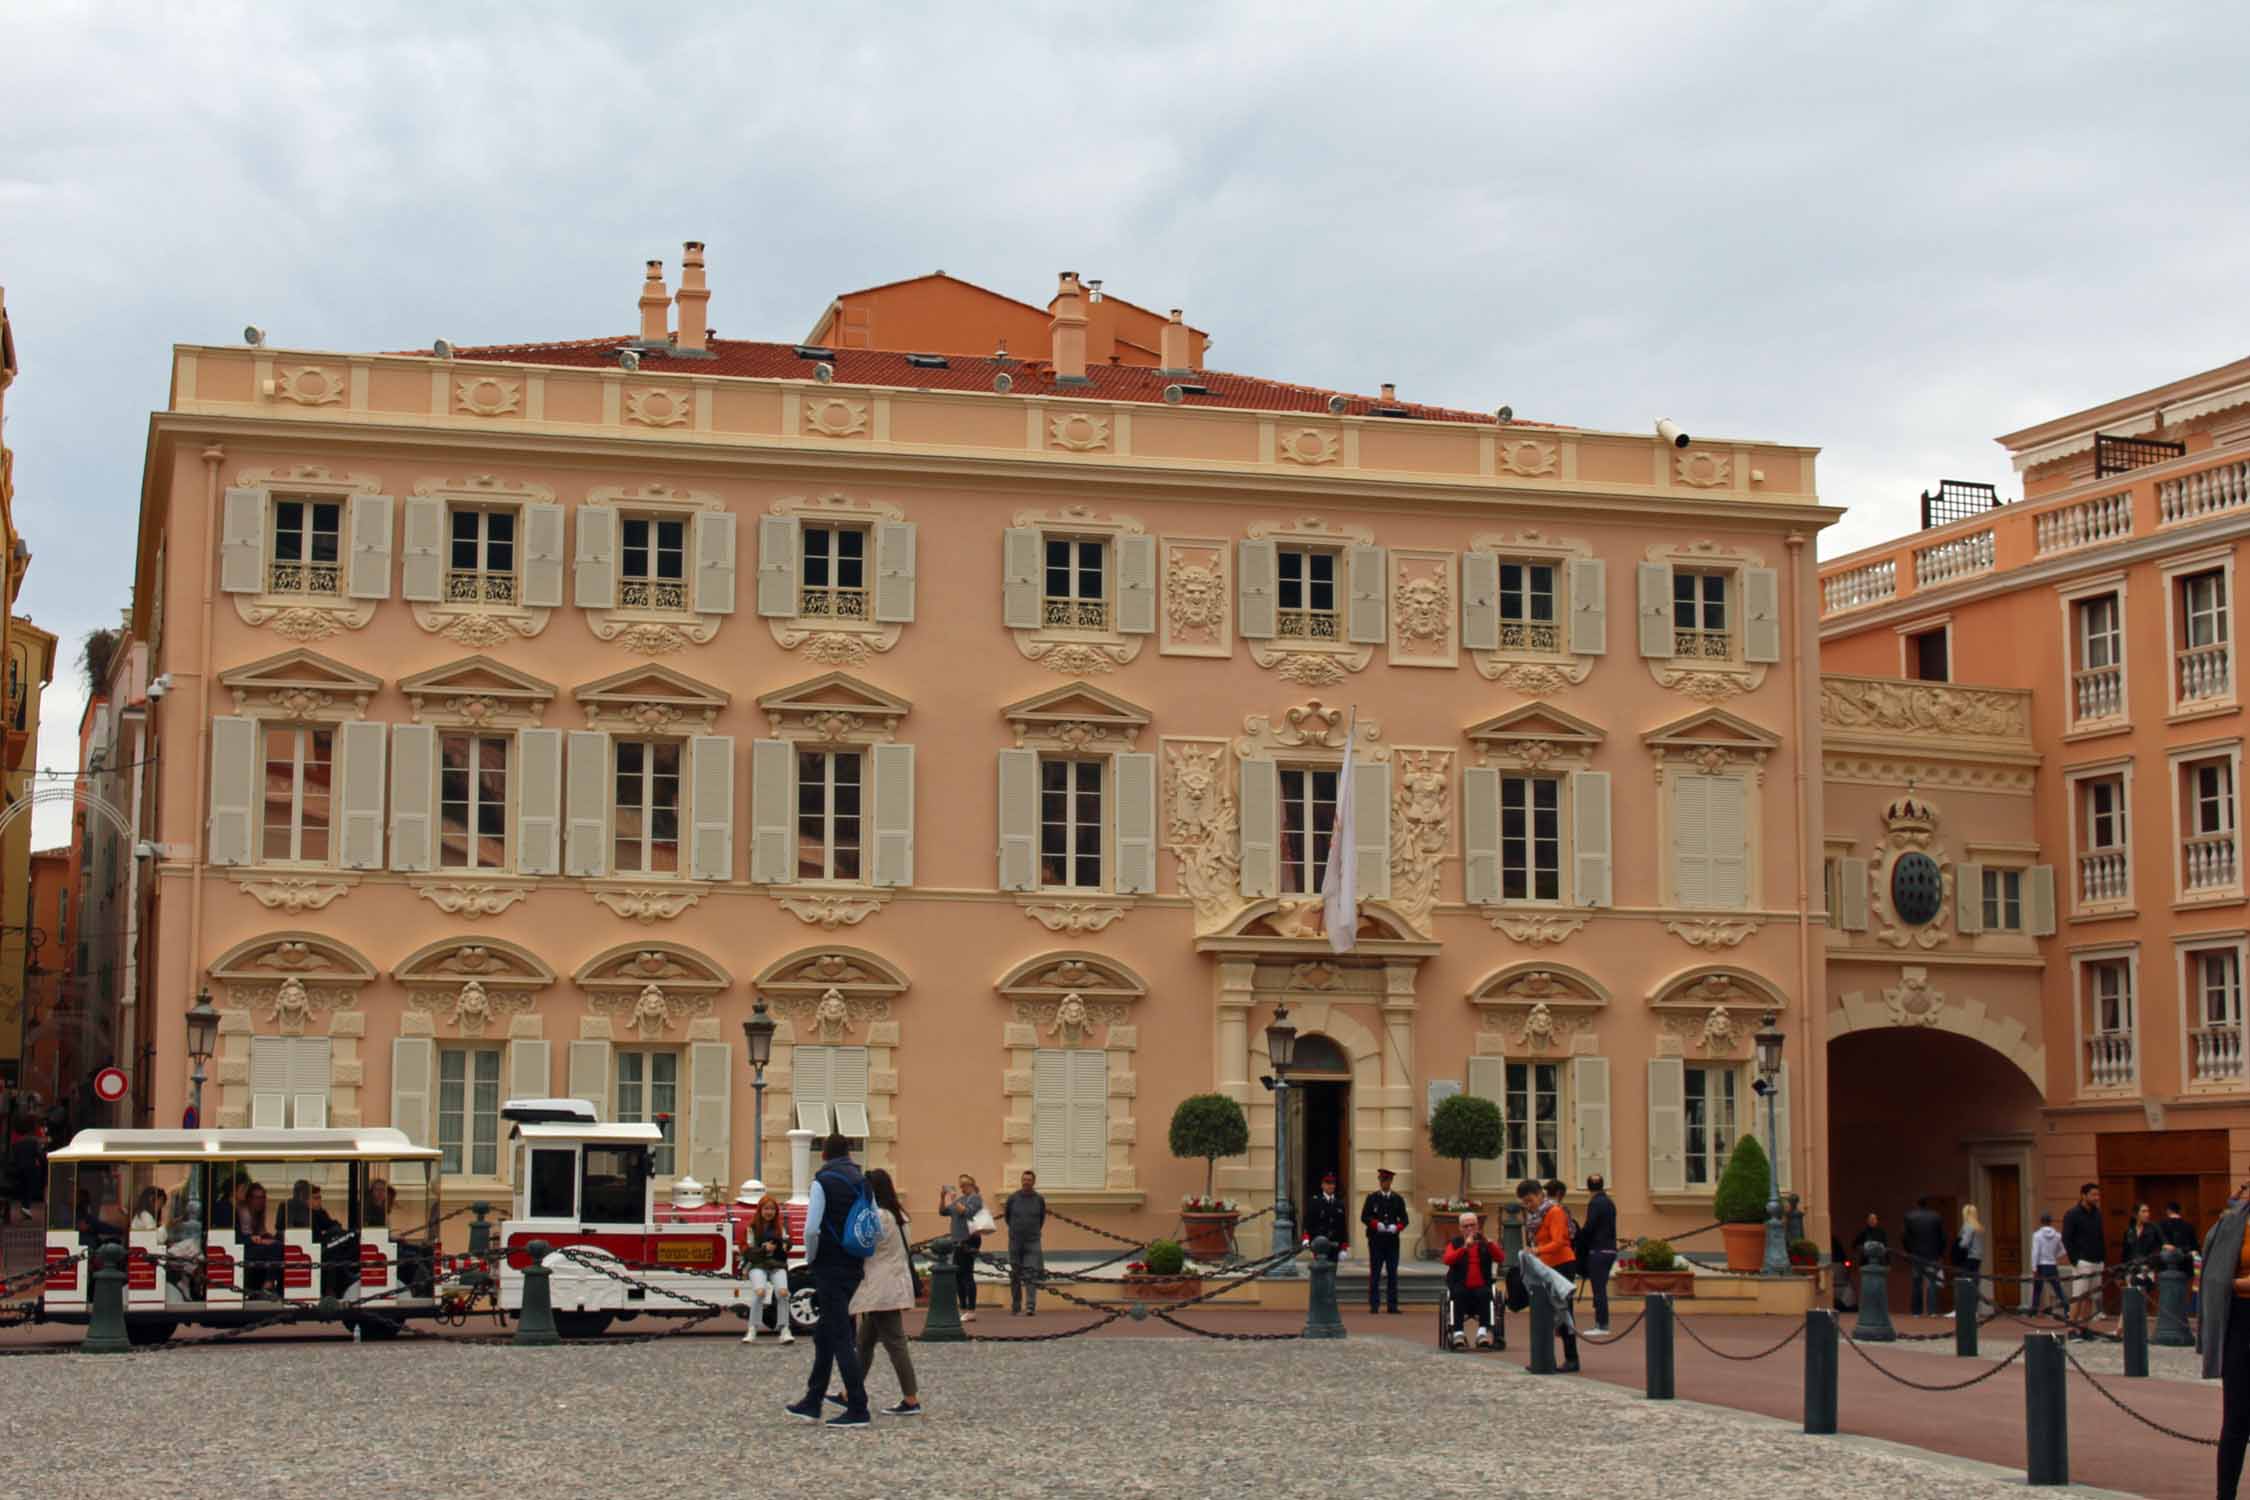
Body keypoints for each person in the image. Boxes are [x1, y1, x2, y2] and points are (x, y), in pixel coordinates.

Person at [785, 1133, 870, 1429]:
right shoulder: (862, 1180)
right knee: (825, 1333)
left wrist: (811, 1259)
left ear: (823, 1154)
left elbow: (811, 1229)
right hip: (854, 1262)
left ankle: (858, 1405)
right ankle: (813, 1399)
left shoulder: (822, 1181)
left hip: (830, 1264)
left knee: (840, 1337)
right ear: (848, 1152)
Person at [838, 1168, 922, 1418]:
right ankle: (849, 1392)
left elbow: (862, 1246)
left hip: (880, 1285)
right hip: (893, 1282)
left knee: (895, 1343)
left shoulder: (879, 1216)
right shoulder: (900, 1216)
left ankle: (911, 1398)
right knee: (864, 1342)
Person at [2202, 1180, 2249, 1500]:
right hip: (2241, 1323)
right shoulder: (2231, 1224)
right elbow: (2214, 1276)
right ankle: (2225, 1495)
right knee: (2236, 1418)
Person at [1516, 1178, 1580, 1373]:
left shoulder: (1555, 1212)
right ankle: (1545, 1357)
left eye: (1530, 1200)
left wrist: (1537, 1251)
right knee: (1545, 1312)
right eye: (1524, 1202)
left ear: (1540, 1195)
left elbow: (1560, 1241)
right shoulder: (1535, 1216)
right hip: (1546, 1266)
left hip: (1562, 1264)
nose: (1528, 1205)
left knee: (1563, 1312)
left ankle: (1572, 1358)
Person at [1441, 1211, 1500, 1350]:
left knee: (1485, 1293)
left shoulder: (1485, 1242)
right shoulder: (1455, 1243)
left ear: (1478, 1226)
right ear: (1460, 1228)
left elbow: (1500, 1258)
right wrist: (1464, 1248)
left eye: (1472, 1225)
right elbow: (1447, 1260)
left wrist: (1491, 1245)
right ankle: (1458, 1333)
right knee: (1459, 1294)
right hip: (1460, 1284)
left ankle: (1482, 1334)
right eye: (1465, 1226)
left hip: (1482, 1285)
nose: (1469, 1229)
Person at [740, 1194, 794, 1345]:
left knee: (783, 1293)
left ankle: (784, 1328)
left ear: (776, 1211)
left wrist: (786, 1244)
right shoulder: (751, 1228)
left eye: (772, 1209)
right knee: (760, 1292)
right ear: (760, 1210)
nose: (769, 1212)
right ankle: (752, 1328)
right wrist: (763, 1250)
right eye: (766, 1208)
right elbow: (746, 1250)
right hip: (757, 1264)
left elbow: (788, 1241)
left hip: (777, 1264)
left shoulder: (780, 1227)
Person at [1359, 1167, 1408, 1314]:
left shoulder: (1397, 1199)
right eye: (1382, 1180)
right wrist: (1376, 1224)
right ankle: (1374, 1305)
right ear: (1379, 1181)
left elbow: (1405, 1219)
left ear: (1391, 1181)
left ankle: (1392, 1305)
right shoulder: (1372, 1198)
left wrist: (1396, 1227)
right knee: (1375, 1273)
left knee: (1392, 1273)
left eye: (1387, 1180)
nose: (1384, 1183)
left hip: (1392, 1241)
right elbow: (1365, 1216)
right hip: (1376, 1240)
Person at [2061, 1182, 2107, 1338]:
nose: (2096, 1198)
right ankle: (2071, 1329)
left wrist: (2102, 1258)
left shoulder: (2097, 1214)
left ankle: (2084, 1328)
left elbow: (2100, 1237)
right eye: (2093, 1195)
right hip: (2082, 1261)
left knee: (2090, 1297)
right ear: (2083, 1195)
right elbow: (2066, 1239)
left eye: (2097, 1195)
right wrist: (2075, 1260)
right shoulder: (2072, 1214)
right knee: (2079, 1296)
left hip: (2097, 1260)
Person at [939, 1173, 985, 1322]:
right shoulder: (959, 1200)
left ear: (972, 1185)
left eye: (965, 1184)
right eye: (960, 1185)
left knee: (967, 1275)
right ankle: (963, 1308)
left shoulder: (976, 1198)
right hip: (957, 1242)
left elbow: (968, 1213)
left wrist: (953, 1200)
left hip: (969, 1240)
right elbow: (943, 1212)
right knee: (958, 1277)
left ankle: (971, 1310)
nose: (962, 1187)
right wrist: (942, 1197)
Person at [1001, 1169, 1047, 1316]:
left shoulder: (1039, 1199)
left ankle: (1030, 1306)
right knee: (1015, 1274)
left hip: (1032, 1241)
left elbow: (1041, 1219)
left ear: (1033, 1182)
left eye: (1029, 1180)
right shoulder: (1013, 1198)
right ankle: (1016, 1304)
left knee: (1031, 1273)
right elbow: (1007, 1218)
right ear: (1021, 1181)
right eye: (1024, 1179)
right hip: (1015, 1241)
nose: (1026, 1182)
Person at [1579, 1174, 1618, 1334]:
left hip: (1598, 1250)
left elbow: (1590, 1227)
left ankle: (1601, 1324)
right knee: (1600, 1287)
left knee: (1598, 1289)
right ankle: (1601, 1323)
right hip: (1609, 1249)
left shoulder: (1594, 1203)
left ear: (1588, 1187)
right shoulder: (1609, 1202)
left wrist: (1579, 1238)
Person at [1902, 1197, 1946, 1316]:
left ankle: (1916, 1311)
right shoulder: (1936, 1216)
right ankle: (1932, 1311)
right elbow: (1942, 1237)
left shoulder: (1909, 1217)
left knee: (1917, 1282)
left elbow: (1905, 1237)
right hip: (1932, 1255)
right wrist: (1940, 1253)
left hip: (1916, 1254)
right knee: (1932, 1282)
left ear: (1917, 1204)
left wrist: (1909, 1251)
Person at [239, 1182, 282, 1298]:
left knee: (278, 1244)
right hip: (243, 1249)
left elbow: (262, 1232)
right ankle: (268, 1285)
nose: (260, 1201)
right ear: (249, 1199)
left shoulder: (258, 1214)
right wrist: (266, 1241)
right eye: (257, 1198)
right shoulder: (245, 1213)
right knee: (276, 1247)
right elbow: (250, 1238)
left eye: (263, 1198)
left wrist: (272, 1238)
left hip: (252, 1244)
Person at [1948, 1205, 1986, 1321]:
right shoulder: (1979, 1227)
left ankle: (1959, 1309)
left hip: (1968, 1258)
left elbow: (1964, 1243)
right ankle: (1973, 1310)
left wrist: (1957, 1245)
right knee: (1973, 1284)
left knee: (1962, 1283)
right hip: (1977, 1258)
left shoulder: (1968, 1225)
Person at [1302, 1170, 1347, 1260]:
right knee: (1320, 1271)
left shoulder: (1339, 1203)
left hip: (1335, 1244)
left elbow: (1342, 1227)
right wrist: (1306, 1238)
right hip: (1319, 1244)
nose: (1330, 1186)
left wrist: (1343, 1248)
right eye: (1327, 1183)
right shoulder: (1315, 1201)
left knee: (1332, 1272)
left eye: (1332, 1183)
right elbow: (1308, 1222)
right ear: (1322, 1185)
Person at [2030, 1211, 2066, 1317]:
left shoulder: (2037, 1235)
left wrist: (2034, 1267)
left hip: (2041, 1265)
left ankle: (2034, 1311)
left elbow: (2035, 1252)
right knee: (2058, 1289)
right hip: (2052, 1264)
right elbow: (2063, 1251)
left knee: (2037, 1289)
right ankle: (2067, 1309)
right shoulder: (2057, 1235)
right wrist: (2054, 1256)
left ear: (2041, 1222)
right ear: (2050, 1222)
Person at [2123, 1202, 2163, 1295]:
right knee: (2132, 1297)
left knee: (2142, 1296)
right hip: (2131, 1268)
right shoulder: (2129, 1231)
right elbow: (2125, 1253)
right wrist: (2123, 1272)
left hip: (2147, 1268)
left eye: (2148, 1211)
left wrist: (2151, 1264)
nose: (2147, 1214)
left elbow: (2163, 1245)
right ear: (2136, 1214)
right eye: (2144, 1211)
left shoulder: (2154, 1228)